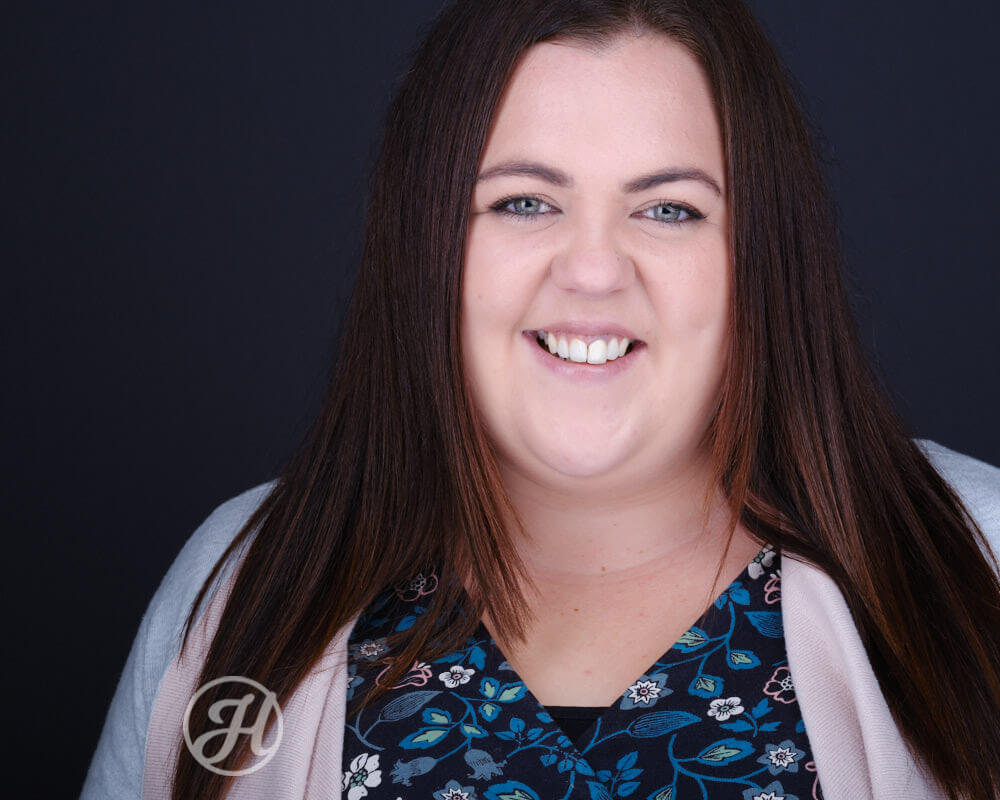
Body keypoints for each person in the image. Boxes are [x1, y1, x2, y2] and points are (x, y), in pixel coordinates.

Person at [81, 1, 1000, 799]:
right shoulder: (246, 586)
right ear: (426, 242)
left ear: (762, 258)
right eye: (524, 202)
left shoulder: (976, 564)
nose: (594, 271)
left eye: (670, 209)